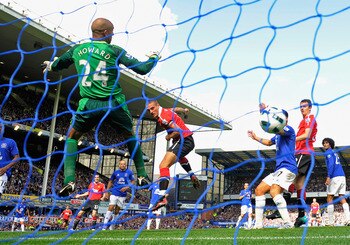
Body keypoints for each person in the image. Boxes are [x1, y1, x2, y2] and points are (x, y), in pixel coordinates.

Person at [41, 18, 160, 196]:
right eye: (112, 31)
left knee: (72, 137)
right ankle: (142, 175)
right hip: (113, 104)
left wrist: (51, 65)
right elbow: (142, 69)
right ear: (106, 33)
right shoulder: (114, 50)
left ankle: (69, 181)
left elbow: (59, 64)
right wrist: (154, 58)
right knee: (129, 135)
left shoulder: (78, 49)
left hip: (88, 104)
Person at [267, 99, 318, 227]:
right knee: (299, 184)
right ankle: (301, 216)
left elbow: (306, 135)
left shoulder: (308, 119)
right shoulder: (303, 120)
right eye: (300, 106)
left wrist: (292, 138)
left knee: (289, 177)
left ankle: (279, 209)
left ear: (310, 108)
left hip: (304, 153)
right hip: (304, 154)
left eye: (305, 106)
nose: (302, 108)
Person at [247, 103, 297, 229]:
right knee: (259, 190)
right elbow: (269, 142)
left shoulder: (289, 130)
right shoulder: (277, 135)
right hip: (279, 169)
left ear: (285, 119)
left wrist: (265, 112)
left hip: (288, 168)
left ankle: (288, 224)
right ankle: (258, 225)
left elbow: (275, 128)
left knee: (274, 191)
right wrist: (255, 137)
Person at [146, 100, 200, 210]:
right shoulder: (166, 111)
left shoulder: (163, 117)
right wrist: (184, 110)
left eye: (152, 108)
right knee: (178, 158)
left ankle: (162, 198)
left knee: (163, 166)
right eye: (148, 110)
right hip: (186, 140)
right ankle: (191, 174)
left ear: (158, 106)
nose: (151, 112)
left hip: (183, 139)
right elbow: (176, 109)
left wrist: (169, 136)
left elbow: (177, 130)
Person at [322, 137, 350, 226]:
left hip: (335, 177)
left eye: (326, 143)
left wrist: (328, 176)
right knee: (342, 198)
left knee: (329, 197)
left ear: (330, 144)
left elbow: (331, 164)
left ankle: (330, 222)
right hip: (342, 176)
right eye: (324, 143)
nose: (324, 144)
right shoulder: (335, 153)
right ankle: (348, 219)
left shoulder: (328, 152)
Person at [102, 159, 135, 230]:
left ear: (126, 165)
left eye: (124, 164)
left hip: (123, 194)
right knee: (111, 207)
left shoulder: (129, 172)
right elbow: (110, 181)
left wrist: (127, 187)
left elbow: (133, 181)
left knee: (117, 210)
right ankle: (104, 225)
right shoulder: (115, 172)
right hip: (115, 192)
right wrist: (107, 191)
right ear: (119, 165)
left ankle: (112, 226)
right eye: (121, 164)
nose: (123, 165)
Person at [0, 123, 20, 197]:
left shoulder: (10, 142)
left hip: (2, 173)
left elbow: (17, 157)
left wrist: (5, 168)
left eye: (1, 127)